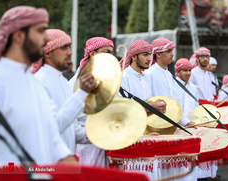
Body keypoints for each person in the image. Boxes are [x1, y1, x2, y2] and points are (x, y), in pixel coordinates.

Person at [0, 6, 75, 167]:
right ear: (18, 36)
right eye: (40, 31)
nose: (46, 39)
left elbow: (51, 137)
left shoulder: (32, 82)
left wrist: (74, 171)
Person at [31, 29, 94, 155]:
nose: (70, 52)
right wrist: (81, 93)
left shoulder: (63, 81)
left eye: (69, 47)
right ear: (47, 52)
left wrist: (104, 133)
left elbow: (72, 130)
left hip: (66, 164)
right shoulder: (38, 82)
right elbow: (55, 126)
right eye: (64, 47)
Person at [119, 39, 167, 180]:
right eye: (145, 54)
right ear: (133, 56)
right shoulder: (123, 77)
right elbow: (121, 111)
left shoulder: (147, 77)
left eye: (150, 54)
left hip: (149, 132)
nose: (149, 58)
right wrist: (149, 108)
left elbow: (150, 105)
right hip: (131, 136)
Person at [68, 37, 115, 166]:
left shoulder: (107, 82)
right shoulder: (75, 83)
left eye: (111, 53)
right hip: (83, 145)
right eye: (106, 52)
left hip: (103, 143)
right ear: (92, 54)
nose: (110, 56)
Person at [146, 38, 194, 127]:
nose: (172, 54)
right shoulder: (149, 74)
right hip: (155, 124)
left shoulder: (169, 75)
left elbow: (173, 103)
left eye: (172, 51)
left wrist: (186, 122)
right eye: (168, 51)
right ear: (159, 54)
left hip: (171, 122)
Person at [189, 47, 219, 180]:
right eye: (202, 56)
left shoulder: (210, 75)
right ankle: (200, 175)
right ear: (197, 58)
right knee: (201, 143)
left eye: (207, 56)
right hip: (200, 111)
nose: (205, 59)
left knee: (212, 141)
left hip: (211, 110)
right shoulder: (193, 73)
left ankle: (210, 173)